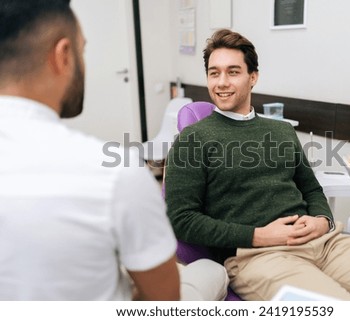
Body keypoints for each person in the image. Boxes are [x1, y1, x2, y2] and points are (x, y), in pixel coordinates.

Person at [165, 28, 350, 300]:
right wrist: (259, 235)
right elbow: (182, 220)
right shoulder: (193, 139)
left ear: (253, 77)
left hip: (326, 244)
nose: (222, 82)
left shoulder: (280, 131)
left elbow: (311, 189)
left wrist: (321, 220)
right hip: (259, 257)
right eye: (214, 73)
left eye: (233, 72)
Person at [0, 0, 227, 301]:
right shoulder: (114, 173)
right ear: (63, 56)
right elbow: (163, 301)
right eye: (82, 50)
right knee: (211, 271)